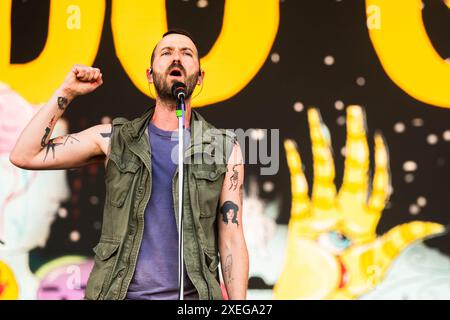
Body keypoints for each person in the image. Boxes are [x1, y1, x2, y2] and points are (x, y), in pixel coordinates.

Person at [9, 29, 249, 300]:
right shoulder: (113, 139)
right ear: (149, 75)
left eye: (187, 53)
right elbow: (25, 155)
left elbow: (232, 237)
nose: (176, 59)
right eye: (166, 53)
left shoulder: (224, 148)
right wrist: (67, 92)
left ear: (200, 76)